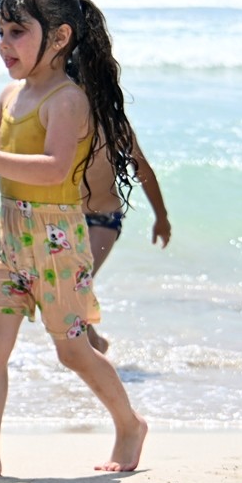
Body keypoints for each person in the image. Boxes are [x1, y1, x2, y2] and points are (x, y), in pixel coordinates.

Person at [0, 0, 148, 478]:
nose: (4, 44)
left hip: (56, 239)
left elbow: (53, 167)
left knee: (73, 350)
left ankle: (130, 424)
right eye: (1, 32)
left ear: (60, 37)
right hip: (8, 238)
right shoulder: (11, 95)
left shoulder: (67, 99)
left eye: (17, 32)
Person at [83, 135, 171, 353]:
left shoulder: (114, 122)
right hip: (64, 218)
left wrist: (161, 217)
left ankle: (94, 351)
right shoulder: (63, 113)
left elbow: (142, 170)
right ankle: (94, 346)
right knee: (67, 290)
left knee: (77, 285)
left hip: (103, 219)